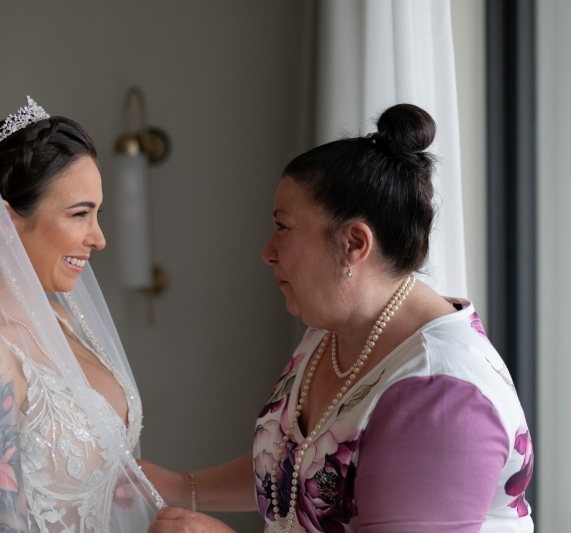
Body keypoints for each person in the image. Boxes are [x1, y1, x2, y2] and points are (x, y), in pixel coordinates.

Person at [144, 103, 534, 532]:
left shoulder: (442, 397)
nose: (267, 251)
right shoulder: (337, 327)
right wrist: (179, 486)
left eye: (283, 227)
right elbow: (299, 472)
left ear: (354, 242)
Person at [0, 97, 165, 532]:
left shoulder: (60, 315)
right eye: (80, 214)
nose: (98, 239)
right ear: (3, 222)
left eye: (97, 214)